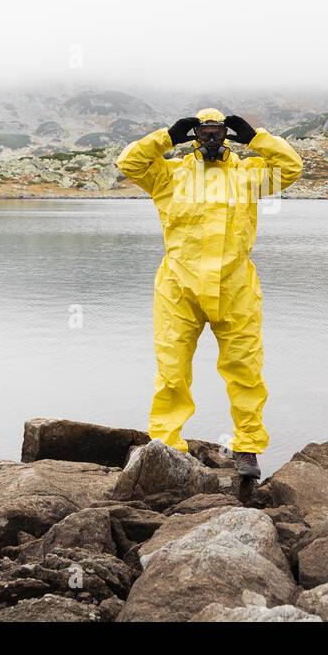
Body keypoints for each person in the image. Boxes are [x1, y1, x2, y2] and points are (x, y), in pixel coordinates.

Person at [116, 108, 303, 479]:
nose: (212, 138)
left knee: (246, 371)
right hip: (178, 288)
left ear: (227, 135)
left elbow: (292, 167)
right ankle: (166, 446)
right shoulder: (169, 175)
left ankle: (247, 448)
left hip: (235, 287)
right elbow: (129, 163)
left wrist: (255, 138)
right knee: (172, 371)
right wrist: (167, 137)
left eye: (218, 131)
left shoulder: (250, 175)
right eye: (205, 132)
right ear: (195, 135)